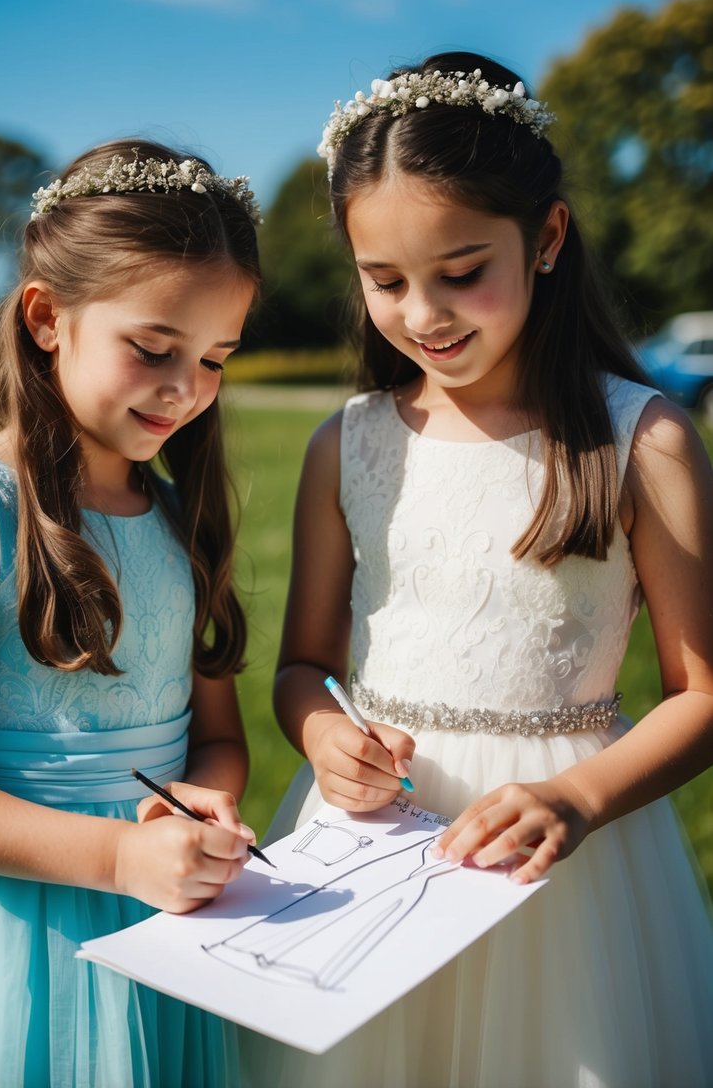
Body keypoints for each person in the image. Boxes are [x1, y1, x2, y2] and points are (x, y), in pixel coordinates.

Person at [257, 53, 713, 1087]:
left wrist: (579, 799)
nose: (423, 313)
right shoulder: (351, 442)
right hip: (367, 850)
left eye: (461, 270)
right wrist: (324, 730)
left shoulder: (640, 441)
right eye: (384, 281)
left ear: (545, 237)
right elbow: (300, 667)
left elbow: (703, 695)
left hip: (555, 863)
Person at [0, 140, 264, 1088]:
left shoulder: (179, 516)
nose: (187, 388)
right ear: (49, 318)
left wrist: (206, 797)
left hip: (168, 922)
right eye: (153, 348)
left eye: (216, 357)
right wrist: (117, 857)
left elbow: (214, 738)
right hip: (12, 930)